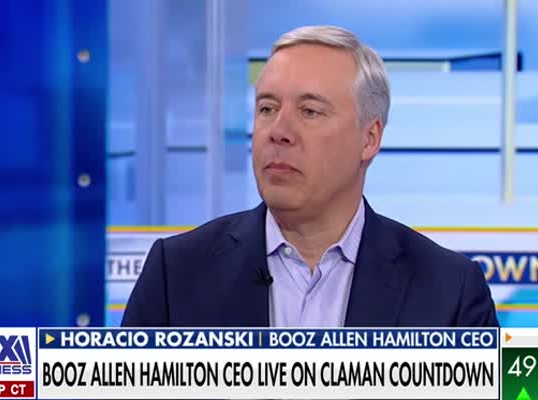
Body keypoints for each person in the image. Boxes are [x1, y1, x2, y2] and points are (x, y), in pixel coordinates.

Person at [122, 25, 498, 327]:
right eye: (267, 108)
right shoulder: (176, 273)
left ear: (369, 138)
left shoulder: (450, 291)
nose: (278, 131)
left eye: (310, 111)